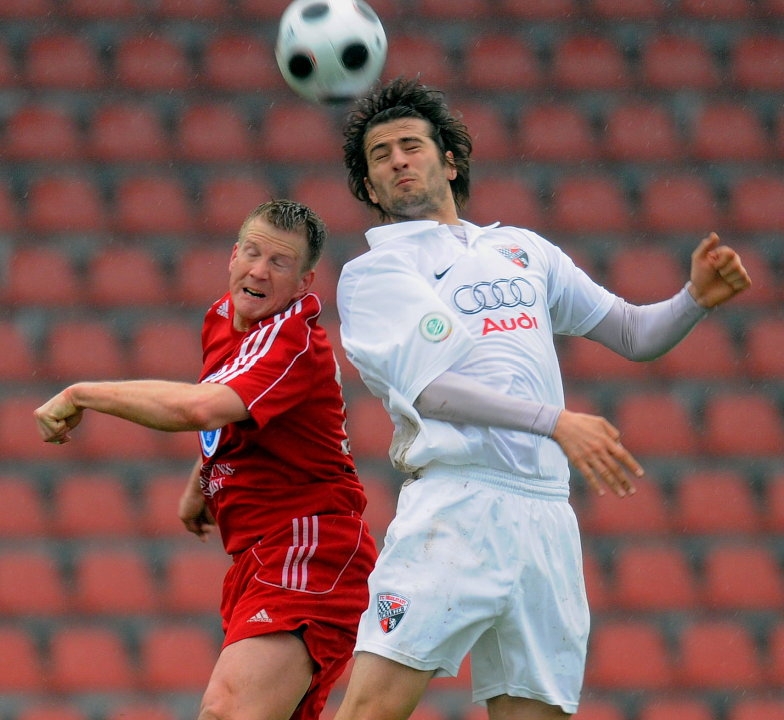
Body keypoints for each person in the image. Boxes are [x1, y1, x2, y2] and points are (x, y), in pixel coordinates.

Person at [332, 78, 752, 720]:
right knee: (372, 710)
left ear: (450, 160)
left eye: (411, 145)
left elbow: (634, 333)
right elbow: (430, 392)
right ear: (368, 187)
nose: (396, 160)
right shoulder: (377, 272)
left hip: (546, 515)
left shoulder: (522, 249)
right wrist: (552, 421)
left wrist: (693, 299)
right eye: (380, 155)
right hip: (456, 505)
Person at [34, 199, 378, 720]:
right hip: (260, 554)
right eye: (253, 253)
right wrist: (205, 479)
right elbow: (241, 411)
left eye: (279, 263)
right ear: (232, 253)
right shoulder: (222, 317)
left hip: (309, 545)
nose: (259, 271)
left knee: (227, 712)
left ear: (305, 282)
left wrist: (83, 392)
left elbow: (201, 407)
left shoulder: (291, 338)